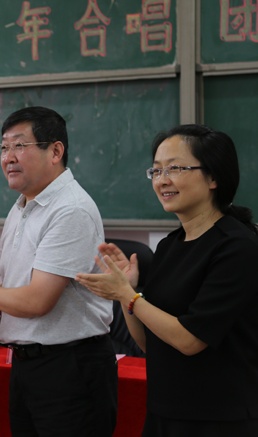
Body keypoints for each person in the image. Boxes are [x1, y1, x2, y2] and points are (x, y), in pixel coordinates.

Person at [76, 124, 258, 436]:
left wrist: (130, 296)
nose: (162, 180)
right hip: (165, 411)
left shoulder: (237, 246)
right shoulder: (169, 246)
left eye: (175, 168)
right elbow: (151, 343)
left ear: (213, 177)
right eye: (156, 170)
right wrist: (126, 291)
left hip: (220, 418)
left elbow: (189, 340)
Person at [0, 106, 118, 437]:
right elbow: (16, 284)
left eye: (20, 145)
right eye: (4, 147)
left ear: (55, 152)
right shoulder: (22, 206)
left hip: (70, 369)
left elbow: (37, 301)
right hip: (27, 365)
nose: (8, 157)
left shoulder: (70, 209)